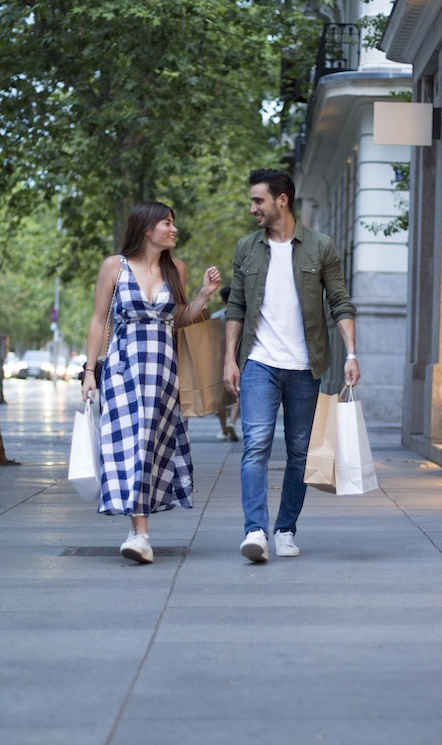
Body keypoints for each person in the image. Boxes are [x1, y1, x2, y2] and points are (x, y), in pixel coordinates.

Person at [223, 169, 358, 563]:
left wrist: (351, 354)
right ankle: (255, 530)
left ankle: (285, 529)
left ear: (282, 200)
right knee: (256, 447)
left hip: (305, 366)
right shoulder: (247, 248)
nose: (252, 209)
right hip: (259, 362)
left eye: (258, 201)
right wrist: (230, 359)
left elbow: (341, 302)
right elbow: (237, 308)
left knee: (300, 451)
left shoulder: (321, 247)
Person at [81, 201, 222, 564]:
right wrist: (90, 371)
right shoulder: (115, 266)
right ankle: (139, 532)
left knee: (154, 447)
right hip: (123, 371)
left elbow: (180, 320)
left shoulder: (177, 268)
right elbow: (98, 322)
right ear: (147, 228)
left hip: (163, 374)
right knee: (131, 444)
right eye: (167, 223)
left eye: (174, 223)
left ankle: (139, 529)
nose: (174, 229)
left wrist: (204, 295)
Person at [210, 286, 240, 442]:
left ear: (221, 300)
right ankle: (232, 422)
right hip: (237, 357)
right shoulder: (241, 316)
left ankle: (223, 429)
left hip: (218, 359)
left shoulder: (215, 317)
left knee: (220, 396)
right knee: (237, 391)